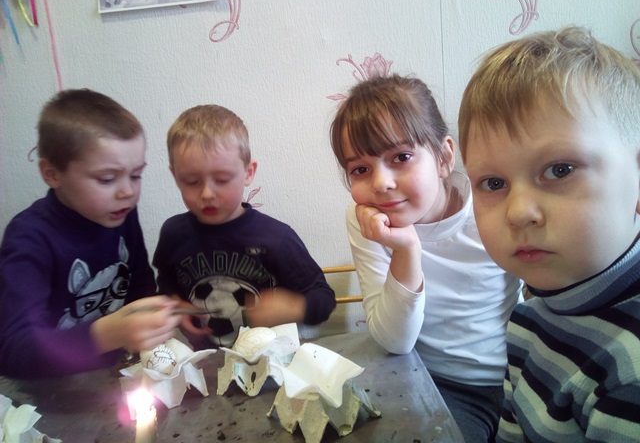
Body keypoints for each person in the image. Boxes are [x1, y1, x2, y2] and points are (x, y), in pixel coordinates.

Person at [458, 26, 640, 441]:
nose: (519, 212)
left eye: (559, 170)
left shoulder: (629, 368)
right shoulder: (528, 319)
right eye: (493, 183)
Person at [329, 74, 523, 442]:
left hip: (510, 379)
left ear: (444, 157)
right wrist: (406, 248)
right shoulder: (366, 220)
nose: (381, 183)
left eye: (401, 157)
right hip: (426, 381)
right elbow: (395, 340)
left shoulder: (490, 206)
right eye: (360, 169)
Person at [0, 89, 182, 379]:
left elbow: (139, 286)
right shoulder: (29, 238)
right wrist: (106, 334)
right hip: (51, 391)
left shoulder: (120, 212)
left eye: (136, 175)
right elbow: (13, 351)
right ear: (52, 173)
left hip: (115, 378)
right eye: (107, 179)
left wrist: (160, 316)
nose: (128, 191)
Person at [153, 104, 336, 349]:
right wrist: (175, 305)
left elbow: (324, 299)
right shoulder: (173, 233)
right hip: (206, 361)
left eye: (222, 179)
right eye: (191, 181)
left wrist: (296, 307)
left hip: (271, 360)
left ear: (248, 173)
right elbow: (166, 283)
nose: (207, 193)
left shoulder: (277, 238)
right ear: (175, 177)